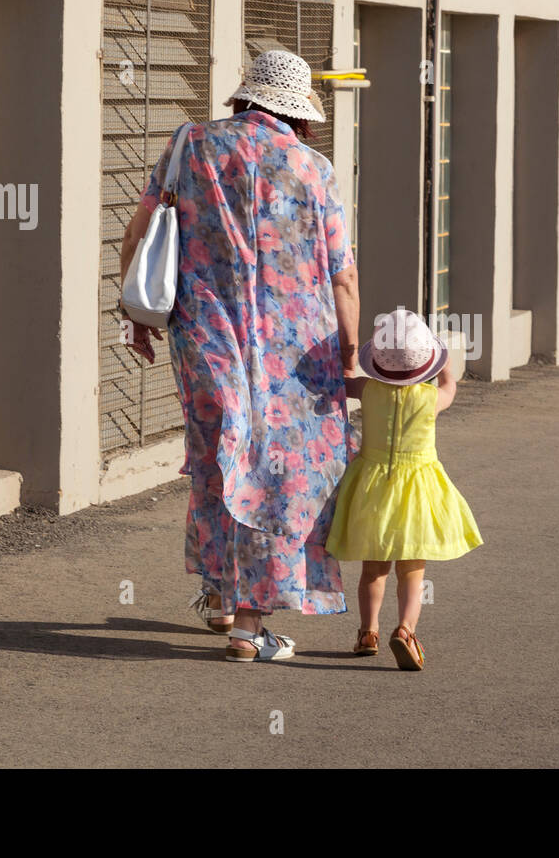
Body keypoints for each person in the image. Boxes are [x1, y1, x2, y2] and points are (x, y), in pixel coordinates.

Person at [119, 50, 360, 662]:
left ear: (245, 97)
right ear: (298, 111)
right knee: (279, 473)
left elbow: (139, 232)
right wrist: (353, 355)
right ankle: (252, 626)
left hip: (205, 335)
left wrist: (135, 313)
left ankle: (221, 596)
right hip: (297, 354)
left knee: (218, 457)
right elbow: (343, 276)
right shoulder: (313, 169)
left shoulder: (189, 144)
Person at [325, 309, 483, 670]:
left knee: (373, 570)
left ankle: (368, 632)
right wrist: (442, 359)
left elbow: (343, 382)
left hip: (373, 488)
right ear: (425, 362)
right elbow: (450, 385)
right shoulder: (430, 398)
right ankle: (406, 630)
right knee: (412, 571)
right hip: (419, 490)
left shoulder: (368, 390)